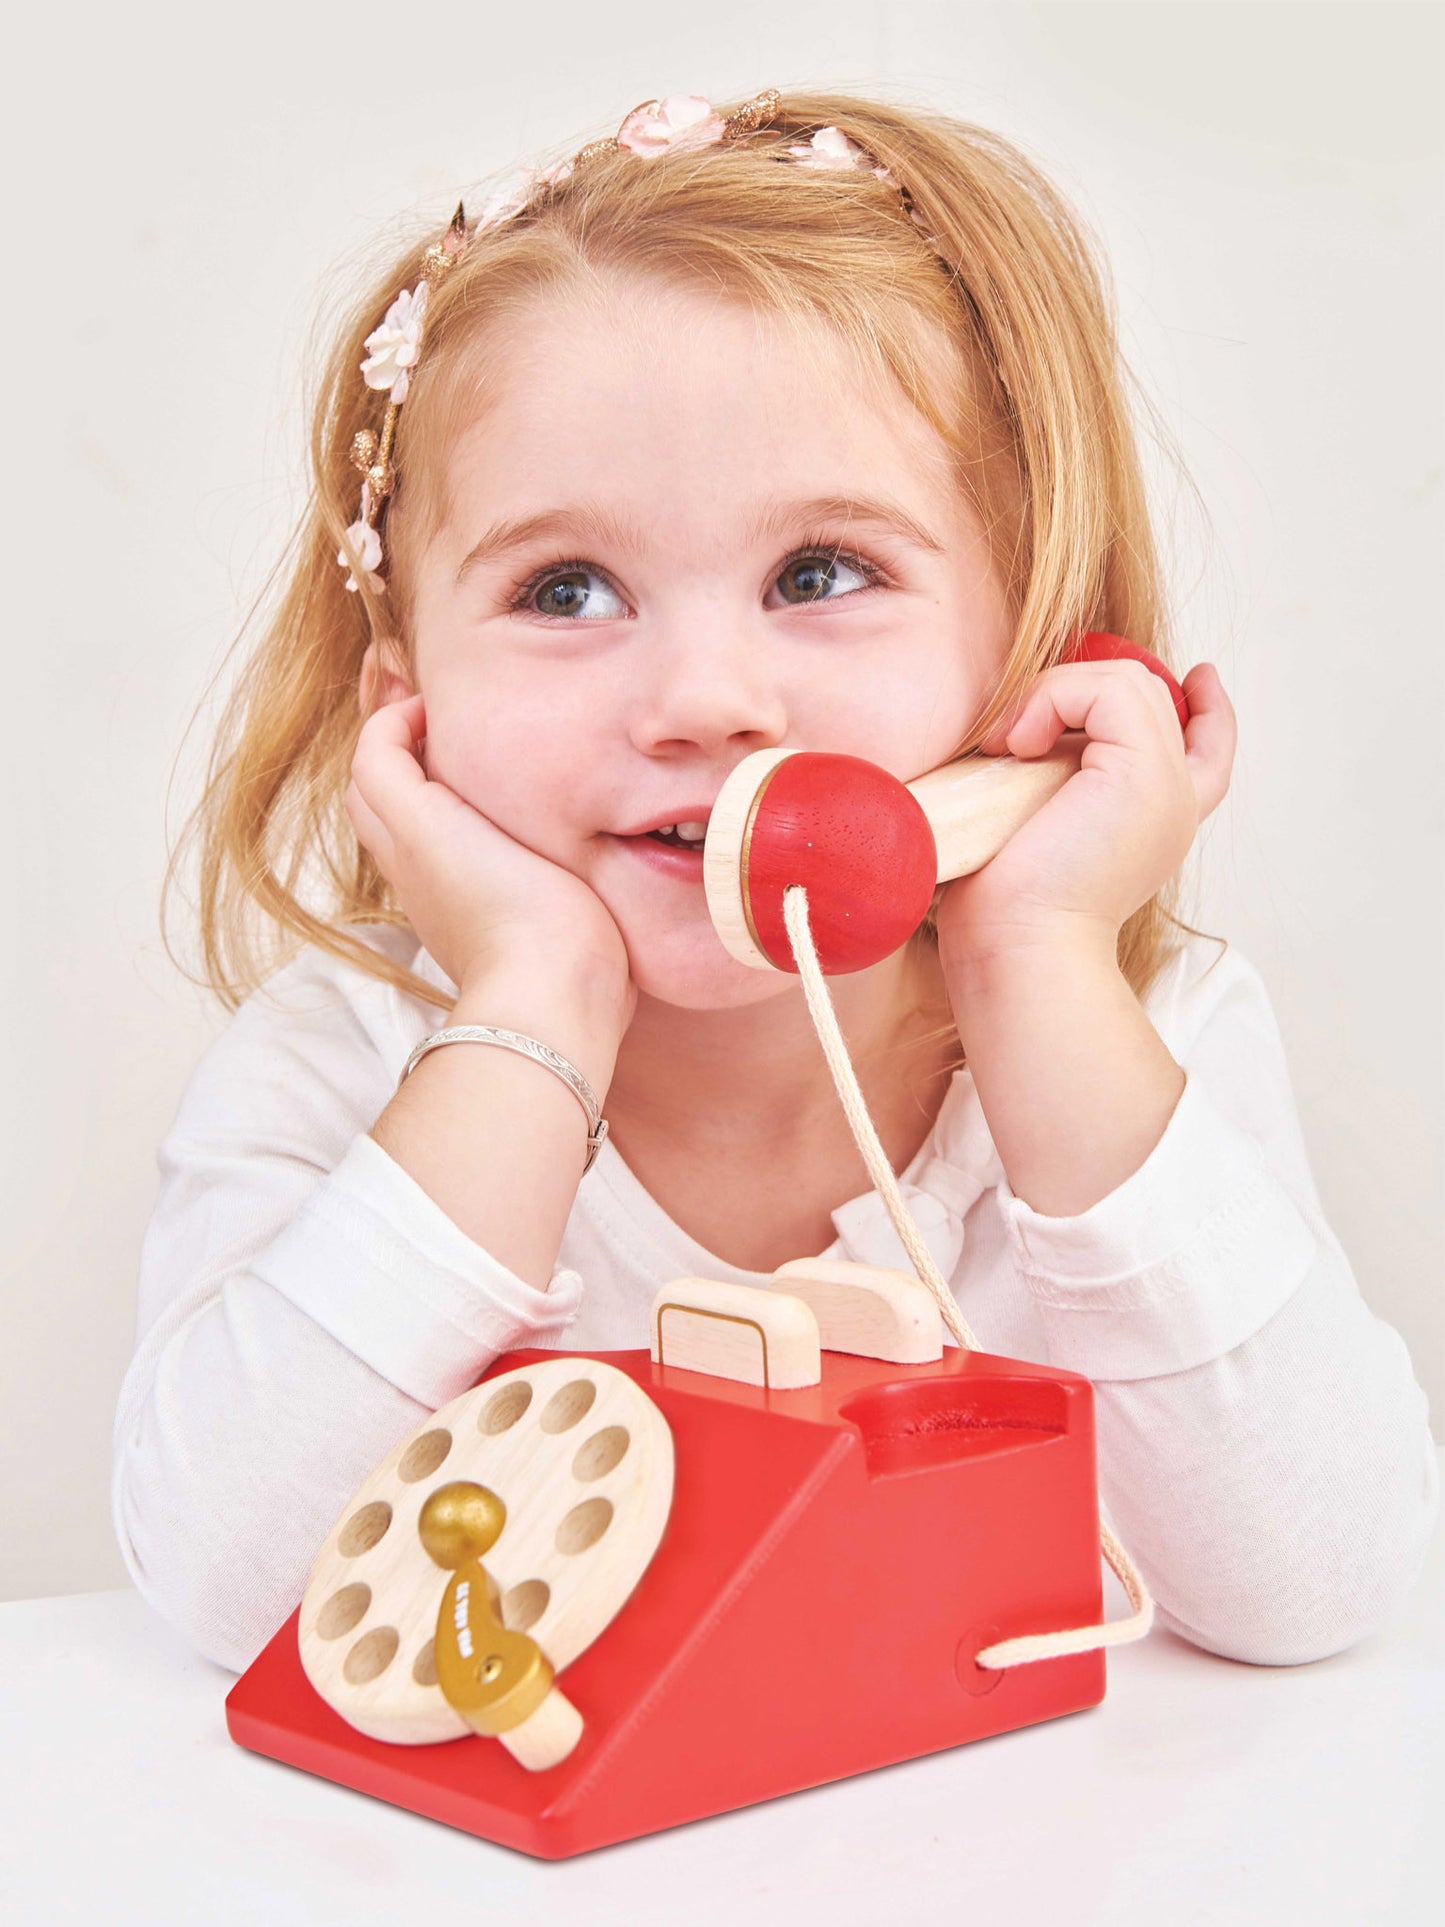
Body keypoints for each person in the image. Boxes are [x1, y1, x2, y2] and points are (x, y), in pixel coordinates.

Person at [113, 87, 1437, 1676]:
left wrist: (1037, 968)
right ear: (407, 697)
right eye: (566, 587)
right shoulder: (355, 1061)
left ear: (1027, 645)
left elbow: (1320, 1593)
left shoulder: (1138, 1031)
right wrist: (531, 1011)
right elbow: (223, 1601)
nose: (703, 696)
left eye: (820, 574)